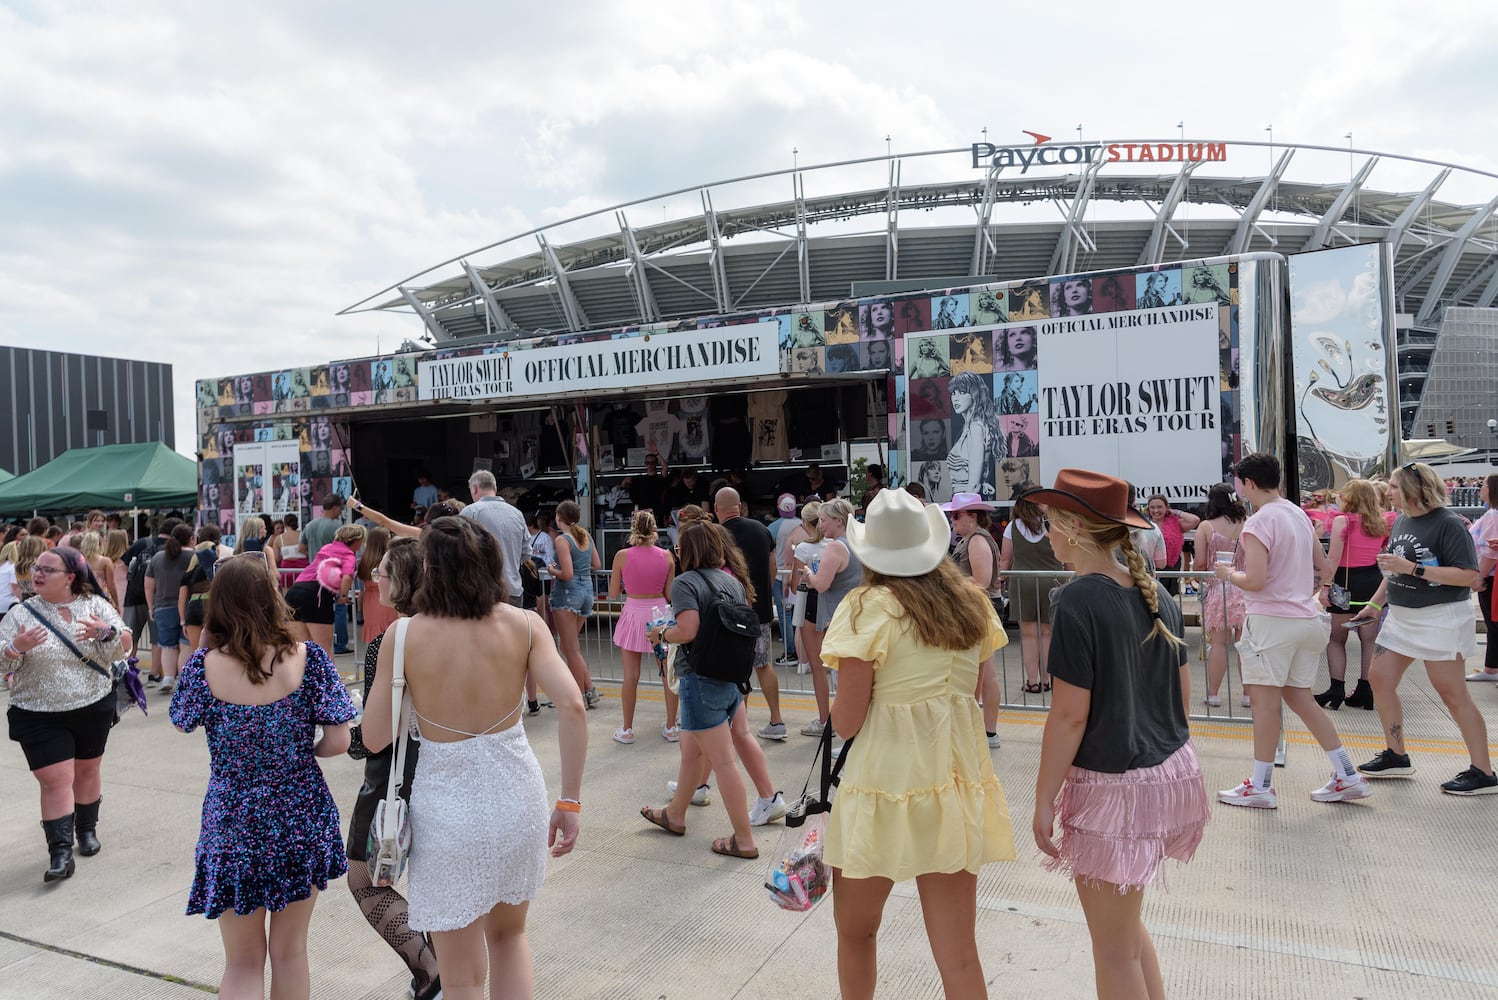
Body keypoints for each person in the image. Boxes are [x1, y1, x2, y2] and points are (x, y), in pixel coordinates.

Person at [361, 517, 587, 999]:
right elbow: (571, 704)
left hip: (446, 809)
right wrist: (570, 800)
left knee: (462, 977)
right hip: (516, 794)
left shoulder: (402, 637)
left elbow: (375, 736)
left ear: (429, 570)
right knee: (510, 938)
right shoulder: (526, 625)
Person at [818, 488, 1014, 999]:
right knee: (960, 956)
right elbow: (971, 692)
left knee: (856, 932)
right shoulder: (972, 604)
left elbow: (847, 722)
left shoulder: (866, 607)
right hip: (951, 783)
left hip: (882, 783)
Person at [1028, 469, 1209, 1000]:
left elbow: (1068, 716)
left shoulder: (1080, 599)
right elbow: (1182, 692)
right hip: (1168, 771)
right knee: (1125, 934)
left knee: (1111, 949)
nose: (1047, 533)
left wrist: (1043, 800)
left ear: (1074, 528)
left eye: (1051, 523)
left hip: (1114, 786)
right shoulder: (1154, 592)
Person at [169, 556, 357, 998]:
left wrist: (206, 648)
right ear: (273, 597)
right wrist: (295, 756)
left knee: (242, 962)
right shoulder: (308, 660)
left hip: (233, 817)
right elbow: (339, 741)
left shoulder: (203, 667)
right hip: (298, 810)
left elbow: (181, 719)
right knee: (290, 952)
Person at [1213, 453, 1370, 808]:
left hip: (1271, 623)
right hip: (1305, 619)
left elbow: (1254, 580)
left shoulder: (1259, 522)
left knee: (1264, 706)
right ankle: (1346, 773)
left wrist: (1228, 576)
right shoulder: (1298, 514)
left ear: (1249, 483)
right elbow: (1323, 565)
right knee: (1301, 699)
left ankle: (1261, 784)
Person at [1351, 463, 1494, 794]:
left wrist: (1413, 569)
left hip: (1440, 617)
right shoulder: (1402, 519)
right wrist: (1374, 605)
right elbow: (1394, 570)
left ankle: (1483, 771)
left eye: (1395, 487)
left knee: (1452, 693)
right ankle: (1396, 754)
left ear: (1415, 489)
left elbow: (1467, 575)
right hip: (1402, 617)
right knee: (1380, 678)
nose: (1388, 492)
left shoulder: (1448, 523)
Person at [343, 538, 442, 1000]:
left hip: (392, 779)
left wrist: (350, 734)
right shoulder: (456, 630)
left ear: (401, 580)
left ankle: (430, 970)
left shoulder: (392, 639)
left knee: (366, 881)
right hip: (445, 771)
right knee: (437, 884)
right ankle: (445, 970)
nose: (373, 578)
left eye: (381, 572)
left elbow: (374, 736)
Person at [641, 522, 777, 858]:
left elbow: (687, 630)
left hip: (699, 680)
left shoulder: (686, 583)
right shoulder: (731, 581)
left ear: (687, 550)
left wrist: (661, 633)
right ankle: (675, 814)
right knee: (691, 754)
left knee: (723, 762)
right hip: (730, 677)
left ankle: (743, 840)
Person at [1, 545, 131, 882]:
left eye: (47, 570)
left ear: (71, 577)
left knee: (87, 772)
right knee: (54, 779)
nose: (37, 574)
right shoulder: (20, 613)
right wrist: (17, 648)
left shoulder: (95, 605)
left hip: (91, 704)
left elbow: (125, 645)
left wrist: (106, 632)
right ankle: (60, 852)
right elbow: (2, 661)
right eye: (36, 568)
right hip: (38, 711)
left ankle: (86, 830)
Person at [1315, 479, 1395, 710]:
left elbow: (1334, 558)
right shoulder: (1382, 521)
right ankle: (1365, 689)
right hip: (1372, 583)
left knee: (1336, 639)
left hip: (1345, 581)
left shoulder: (1342, 520)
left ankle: (1336, 688)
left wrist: (1325, 586)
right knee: (1368, 640)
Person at [714, 488, 785, 739]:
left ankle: (737, 724)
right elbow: (773, 566)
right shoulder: (762, 530)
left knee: (735, 667)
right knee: (763, 664)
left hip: (730, 612)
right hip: (760, 609)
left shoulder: (718, 534)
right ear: (741, 506)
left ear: (716, 509)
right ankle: (776, 721)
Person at [606, 511, 677, 744]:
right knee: (667, 674)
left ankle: (627, 729)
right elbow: (669, 593)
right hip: (659, 616)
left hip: (633, 613)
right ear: (655, 529)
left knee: (630, 676)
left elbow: (614, 592)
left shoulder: (622, 556)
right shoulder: (667, 556)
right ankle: (671, 725)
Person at [946, 493, 1007, 744]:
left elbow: (981, 580)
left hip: (979, 607)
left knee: (980, 673)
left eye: (956, 515)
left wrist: (947, 582)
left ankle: (984, 730)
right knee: (984, 672)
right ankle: (987, 730)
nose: (953, 520)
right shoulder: (975, 538)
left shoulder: (976, 540)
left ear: (972, 516)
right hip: (981, 607)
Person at [802, 499, 863, 737]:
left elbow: (822, 584)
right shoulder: (860, 543)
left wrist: (808, 573)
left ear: (838, 521)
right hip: (859, 616)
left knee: (844, 681)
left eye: (825, 520)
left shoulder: (836, 548)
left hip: (840, 618)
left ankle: (847, 734)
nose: (822, 526)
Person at [998, 487, 1065, 696]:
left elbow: (1005, 558)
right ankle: (1047, 679)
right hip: (1052, 582)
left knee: (1027, 635)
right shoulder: (1053, 525)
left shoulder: (1012, 527)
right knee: (1047, 633)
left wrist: (1002, 578)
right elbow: (1066, 557)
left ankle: (1032, 681)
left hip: (1022, 582)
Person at [1191, 484, 1249, 708]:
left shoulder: (1206, 526)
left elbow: (1200, 564)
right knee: (1245, 645)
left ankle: (1213, 694)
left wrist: (1199, 578)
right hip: (1245, 587)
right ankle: (1247, 695)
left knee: (1219, 644)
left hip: (1218, 589)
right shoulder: (1247, 523)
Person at [548, 500, 602, 709]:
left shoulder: (563, 540)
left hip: (567, 594)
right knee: (570, 647)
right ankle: (589, 690)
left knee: (570, 649)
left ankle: (577, 696)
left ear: (559, 517)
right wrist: (581, 569)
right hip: (587, 591)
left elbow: (566, 574)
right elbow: (597, 564)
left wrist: (553, 571)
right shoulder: (585, 536)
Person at [285, 524, 366, 658]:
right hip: (316, 594)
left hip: (295, 591)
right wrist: (342, 596)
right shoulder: (348, 555)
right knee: (324, 651)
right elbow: (347, 577)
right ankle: (328, 679)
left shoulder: (327, 548)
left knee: (301, 649)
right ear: (357, 541)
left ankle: (304, 678)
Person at [789, 500, 830, 728]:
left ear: (805, 522)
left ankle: (825, 720)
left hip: (811, 605)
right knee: (840, 666)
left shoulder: (804, 548)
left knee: (818, 667)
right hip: (834, 604)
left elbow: (795, 585)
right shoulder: (835, 544)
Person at [459, 470, 528, 605]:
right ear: (495, 488)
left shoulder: (469, 512)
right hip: (513, 590)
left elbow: (457, 551)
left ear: (474, 488)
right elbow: (526, 553)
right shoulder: (517, 514)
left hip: (482, 593)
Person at [144, 524, 195, 694]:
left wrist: (151, 607)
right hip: (187, 607)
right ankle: (184, 680)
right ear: (191, 539)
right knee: (185, 644)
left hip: (162, 607)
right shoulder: (193, 556)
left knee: (167, 646)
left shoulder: (158, 557)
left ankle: (168, 678)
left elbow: (148, 585)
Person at [300, 495, 349, 653]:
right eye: (340, 509)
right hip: (333, 574)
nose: (340, 512)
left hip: (313, 576)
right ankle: (340, 644)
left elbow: (301, 548)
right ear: (334, 508)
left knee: (318, 611)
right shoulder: (335, 526)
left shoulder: (310, 525)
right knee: (340, 608)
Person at [947, 371, 1005, 499]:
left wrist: (963, 510)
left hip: (967, 501)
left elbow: (974, 485)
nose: (955, 398)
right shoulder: (970, 426)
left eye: (962, 392)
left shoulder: (975, 428)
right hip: (964, 500)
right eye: (953, 393)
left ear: (975, 394)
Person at [1464, 473, 1498, 682]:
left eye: (1484, 485)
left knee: (1493, 624)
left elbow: (1491, 552)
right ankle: (1491, 668)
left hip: (1490, 577)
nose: (1480, 488)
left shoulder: (1493, 515)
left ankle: (1491, 669)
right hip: (1491, 576)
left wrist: (1478, 577)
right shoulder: (1491, 515)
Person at [1144, 494, 1201, 597]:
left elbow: (1195, 520)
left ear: (1166, 508)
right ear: (1148, 509)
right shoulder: (1143, 525)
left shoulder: (1176, 524)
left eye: (1159, 507)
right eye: (1152, 507)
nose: (1156, 510)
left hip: (1171, 567)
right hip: (1150, 568)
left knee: (1167, 599)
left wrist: (1176, 512)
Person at [178, 524, 224, 651]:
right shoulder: (217, 571)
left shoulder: (189, 573)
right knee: (213, 648)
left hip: (192, 608)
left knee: (196, 651)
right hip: (210, 606)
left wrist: (182, 621)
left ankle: (197, 671)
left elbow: (181, 599)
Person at [770, 493, 802, 667]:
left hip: (780, 575)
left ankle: (790, 653)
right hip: (799, 575)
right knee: (800, 615)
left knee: (785, 615)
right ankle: (802, 652)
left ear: (778, 506)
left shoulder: (773, 528)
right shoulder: (802, 525)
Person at [357, 527, 399, 646]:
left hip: (369, 602)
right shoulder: (388, 561)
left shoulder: (365, 560)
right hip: (386, 599)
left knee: (374, 638)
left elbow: (361, 587)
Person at [77, 531, 119, 609]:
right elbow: (111, 585)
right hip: (101, 597)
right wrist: (117, 602)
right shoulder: (106, 561)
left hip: (83, 597)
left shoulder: (79, 560)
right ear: (99, 545)